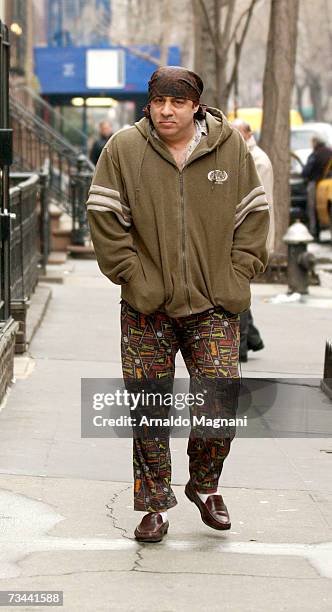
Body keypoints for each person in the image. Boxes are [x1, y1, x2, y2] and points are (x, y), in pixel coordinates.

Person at [86, 66, 269, 543]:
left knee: (220, 395)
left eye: (178, 102)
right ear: (149, 104)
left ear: (196, 106)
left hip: (213, 303)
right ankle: (153, 505)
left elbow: (253, 214)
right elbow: (104, 217)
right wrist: (135, 278)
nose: (167, 111)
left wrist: (237, 273)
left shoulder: (229, 148)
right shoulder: (123, 149)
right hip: (147, 308)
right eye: (159, 102)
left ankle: (205, 485)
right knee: (149, 410)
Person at [231, 118, 274, 363]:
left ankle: (243, 344)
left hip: (251, 235)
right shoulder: (243, 155)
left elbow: (259, 205)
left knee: (239, 288)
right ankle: (253, 338)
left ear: (248, 134)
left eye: (238, 132)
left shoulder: (257, 160)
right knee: (239, 286)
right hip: (245, 233)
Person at [302, 135, 332, 240]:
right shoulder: (329, 152)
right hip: (327, 185)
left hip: (315, 184)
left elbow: (306, 172)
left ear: (315, 142)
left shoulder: (315, 154)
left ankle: (314, 231)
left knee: (312, 208)